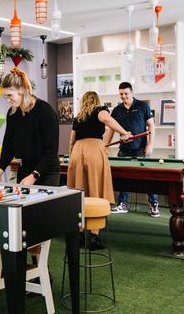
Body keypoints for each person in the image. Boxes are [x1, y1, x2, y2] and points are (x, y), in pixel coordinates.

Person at [67, 91, 131, 249]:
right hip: (94, 151)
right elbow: (108, 120)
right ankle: (93, 237)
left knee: (79, 193)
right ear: (97, 100)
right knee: (95, 191)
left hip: (77, 152)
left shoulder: (78, 117)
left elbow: (71, 140)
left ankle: (80, 234)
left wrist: (72, 157)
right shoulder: (100, 110)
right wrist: (124, 133)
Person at [0, 68, 60, 187]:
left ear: (22, 90)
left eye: (10, 95)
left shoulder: (45, 112)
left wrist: (34, 175)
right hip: (25, 169)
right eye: (5, 97)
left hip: (46, 172)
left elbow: (51, 151)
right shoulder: (12, 113)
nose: (8, 100)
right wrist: (0, 168)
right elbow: (8, 144)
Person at [106, 82, 160, 217]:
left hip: (140, 149)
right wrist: (104, 146)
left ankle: (154, 204)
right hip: (124, 150)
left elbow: (151, 126)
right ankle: (122, 204)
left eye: (126, 93)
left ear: (132, 93)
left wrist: (150, 144)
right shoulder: (117, 110)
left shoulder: (143, 106)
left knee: (147, 178)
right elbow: (111, 130)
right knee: (122, 178)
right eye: (121, 94)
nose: (123, 96)